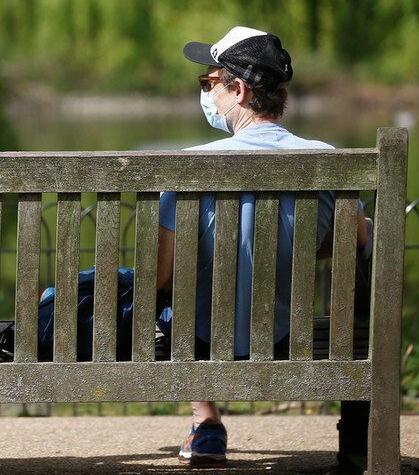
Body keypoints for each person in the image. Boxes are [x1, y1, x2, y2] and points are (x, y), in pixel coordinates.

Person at [156, 26, 369, 468]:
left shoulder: (190, 166)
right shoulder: (325, 161)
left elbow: (159, 277)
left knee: (173, 297)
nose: (207, 94)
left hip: (199, 342)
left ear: (238, 89)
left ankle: (207, 424)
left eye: (209, 83)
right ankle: (356, 443)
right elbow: (355, 239)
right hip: (289, 338)